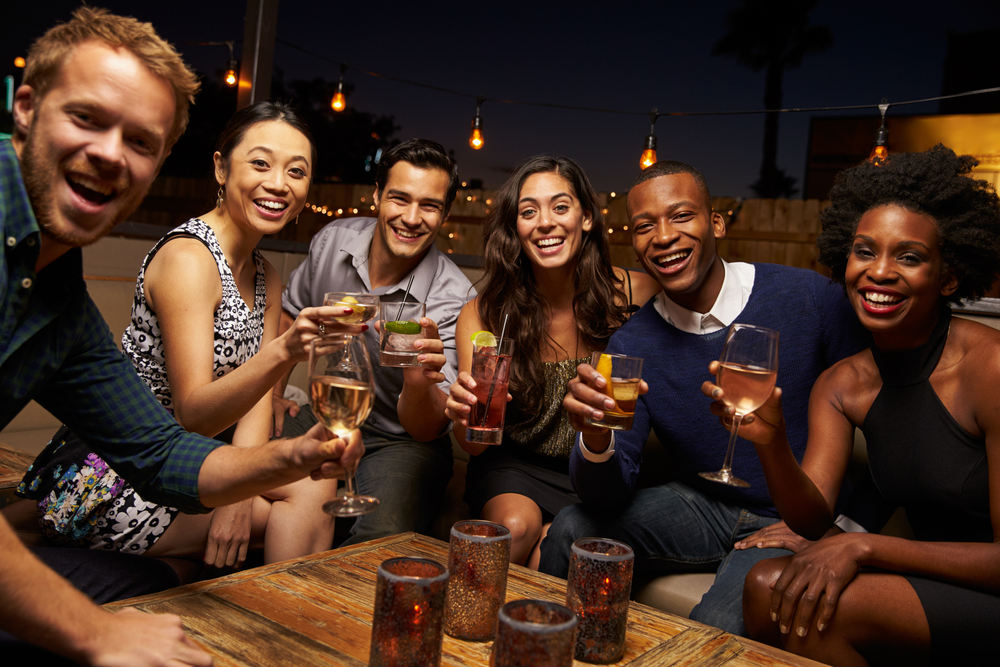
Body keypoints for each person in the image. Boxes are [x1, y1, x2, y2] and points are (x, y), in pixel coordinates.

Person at [0, 9, 360, 665]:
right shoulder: (188, 257)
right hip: (99, 483)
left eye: (141, 141)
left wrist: (293, 455)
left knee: (176, 592)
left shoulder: (60, 296)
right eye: (87, 117)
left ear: (163, 160)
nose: (111, 153)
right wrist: (95, 632)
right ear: (24, 108)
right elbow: (192, 410)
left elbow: (163, 452)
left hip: (150, 472)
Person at [18, 100, 353, 570]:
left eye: (296, 172)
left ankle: (278, 613)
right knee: (309, 498)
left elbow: (258, 398)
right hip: (124, 470)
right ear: (221, 167)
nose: (278, 184)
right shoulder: (188, 259)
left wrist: (239, 497)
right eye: (260, 163)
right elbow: (192, 413)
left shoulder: (266, 276)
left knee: (315, 481)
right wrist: (280, 354)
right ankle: (278, 620)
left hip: (199, 460)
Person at [538, 160, 868, 636]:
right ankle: (542, 648)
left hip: (791, 514)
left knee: (716, 623)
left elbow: (888, 423)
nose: (663, 236)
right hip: (702, 503)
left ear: (715, 223)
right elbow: (606, 493)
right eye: (644, 226)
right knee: (571, 527)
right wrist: (593, 439)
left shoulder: (810, 299)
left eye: (681, 216)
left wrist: (846, 527)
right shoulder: (634, 342)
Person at [732, 145, 1000, 666]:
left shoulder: (988, 368)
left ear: (947, 277)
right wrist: (772, 443)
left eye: (909, 256)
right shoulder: (843, 383)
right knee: (768, 586)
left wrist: (863, 546)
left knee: (797, 599)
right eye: (864, 251)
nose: (879, 272)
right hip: (933, 577)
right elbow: (811, 518)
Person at [444, 155, 659, 568]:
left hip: (594, 470)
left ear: (588, 218)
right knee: (513, 526)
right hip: (513, 466)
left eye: (560, 207)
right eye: (529, 212)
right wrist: (462, 416)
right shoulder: (485, 313)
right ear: (515, 228)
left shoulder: (637, 294)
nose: (545, 222)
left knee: (551, 551)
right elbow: (473, 441)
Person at [276, 138, 474, 545]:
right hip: (324, 413)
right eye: (399, 198)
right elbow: (290, 314)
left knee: (381, 535)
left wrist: (419, 379)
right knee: (235, 460)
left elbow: (426, 429)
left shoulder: (455, 296)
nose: (411, 218)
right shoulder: (333, 241)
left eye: (430, 205)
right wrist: (275, 395)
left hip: (400, 441)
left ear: (446, 214)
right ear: (377, 196)